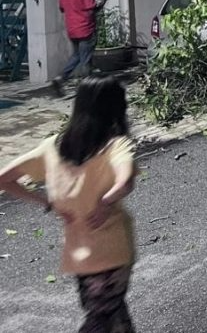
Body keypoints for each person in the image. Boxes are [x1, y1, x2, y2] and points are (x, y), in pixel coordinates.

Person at [0, 74, 137, 333]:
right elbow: (126, 181)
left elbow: (4, 178)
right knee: (103, 319)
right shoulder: (116, 145)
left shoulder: (51, 147)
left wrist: (46, 202)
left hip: (80, 256)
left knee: (113, 317)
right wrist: (106, 202)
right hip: (113, 252)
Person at [52, 0, 107, 96]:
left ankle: (61, 78)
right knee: (85, 60)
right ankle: (87, 89)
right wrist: (101, 2)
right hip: (86, 30)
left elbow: (62, 8)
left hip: (72, 30)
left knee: (77, 55)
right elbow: (92, 9)